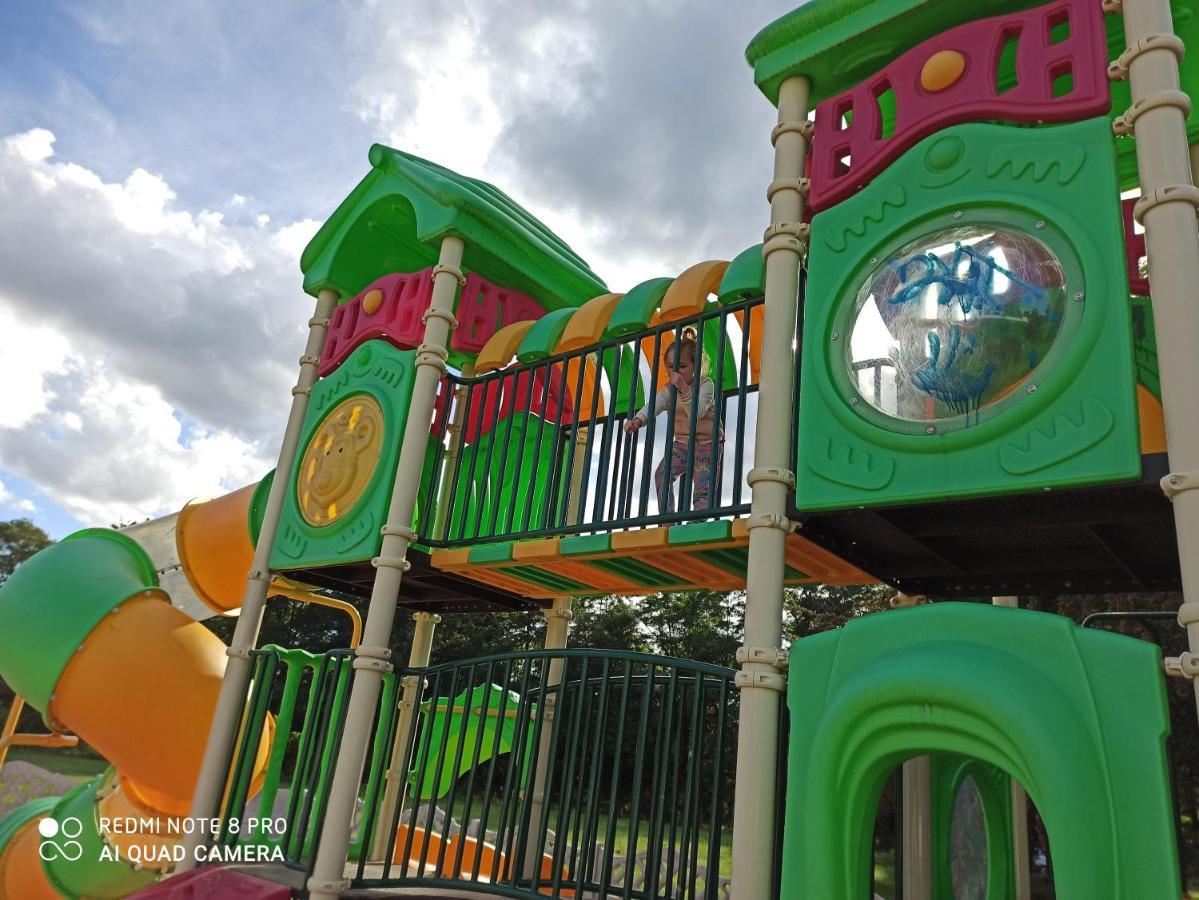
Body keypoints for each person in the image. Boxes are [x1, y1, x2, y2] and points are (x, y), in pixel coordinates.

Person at [624, 328, 722, 512]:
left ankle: (699, 522)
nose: (676, 372)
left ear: (696, 366)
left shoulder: (705, 385)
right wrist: (637, 420)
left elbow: (697, 413)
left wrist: (684, 389)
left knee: (703, 486)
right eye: (671, 367)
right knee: (662, 474)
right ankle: (668, 519)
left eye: (682, 367)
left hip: (707, 444)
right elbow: (654, 405)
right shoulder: (669, 389)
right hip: (683, 445)